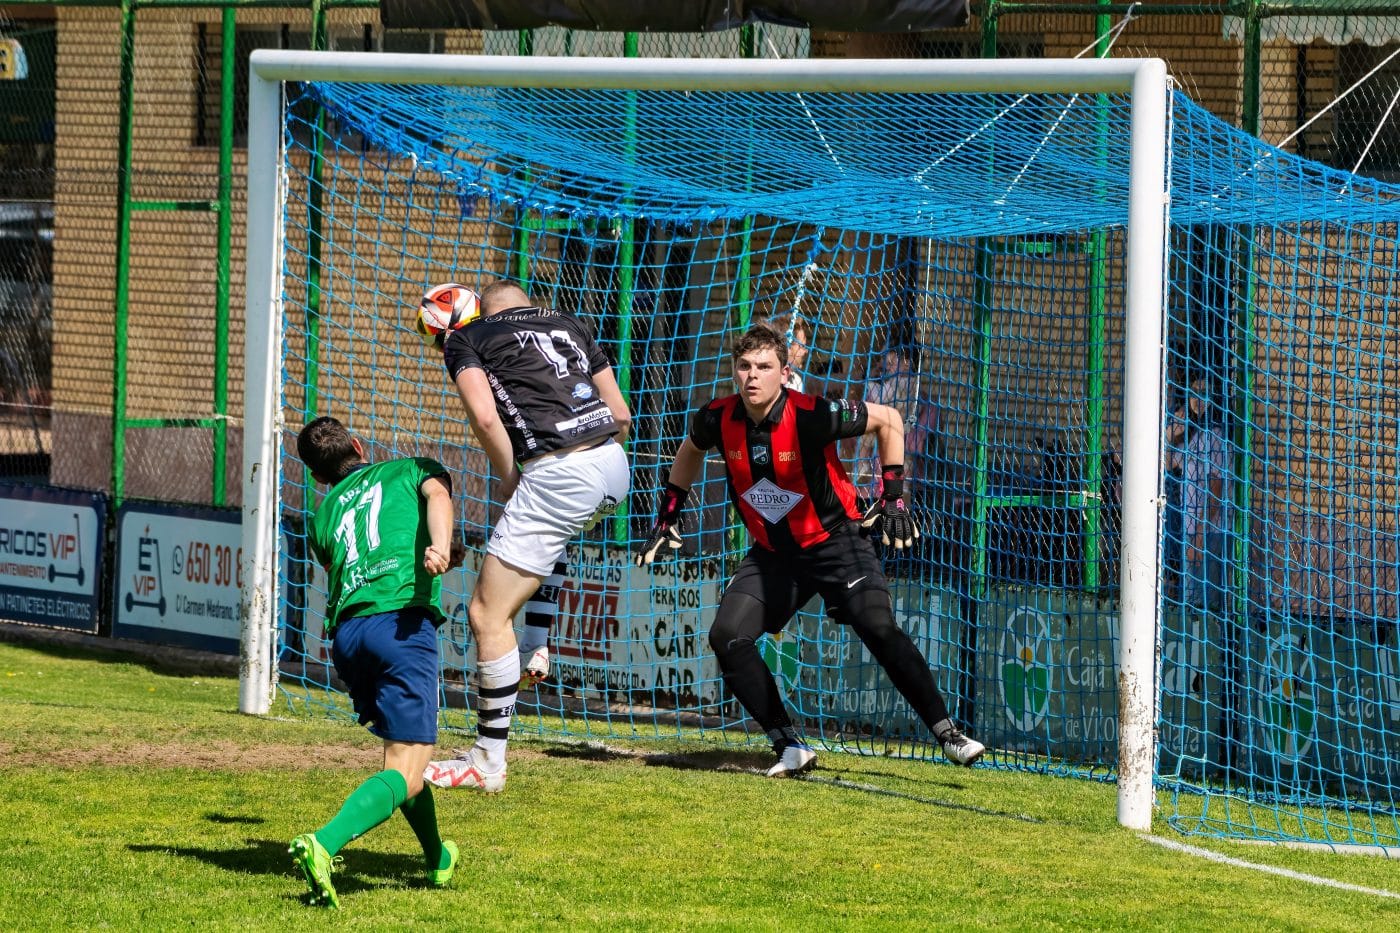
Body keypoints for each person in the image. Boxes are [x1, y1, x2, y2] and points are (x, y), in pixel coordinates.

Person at [635, 323, 984, 776]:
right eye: (744, 366)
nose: (753, 376)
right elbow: (689, 448)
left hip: (837, 542)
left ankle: (948, 735)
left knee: (877, 627)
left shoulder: (812, 413)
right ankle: (789, 745)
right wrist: (668, 515)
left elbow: (891, 421)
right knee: (727, 636)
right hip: (774, 554)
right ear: (733, 372)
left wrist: (894, 495)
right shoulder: (717, 418)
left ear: (784, 373)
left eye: (764, 367)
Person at [425, 279, 631, 791]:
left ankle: (486, 760)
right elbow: (622, 414)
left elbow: (484, 415)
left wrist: (511, 475)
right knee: (549, 542)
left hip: (560, 473)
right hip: (615, 468)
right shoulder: (574, 324)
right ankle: (536, 645)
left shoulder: (466, 338)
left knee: (485, 613)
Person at [289, 416, 459, 909]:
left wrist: (440, 551)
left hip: (348, 635)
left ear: (319, 478)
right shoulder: (411, 468)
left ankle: (437, 857)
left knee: (402, 763)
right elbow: (439, 498)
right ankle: (323, 843)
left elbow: (354, 554)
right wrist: (441, 545)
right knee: (408, 771)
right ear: (360, 445)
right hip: (400, 626)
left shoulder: (322, 517)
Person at [1166, 379, 1233, 609]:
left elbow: (1216, 488)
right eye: (1194, 393)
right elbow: (1167, 463)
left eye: (1204, 392)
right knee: (1191, 601)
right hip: (1191, 533)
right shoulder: (1195, 436)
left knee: (1205, 603)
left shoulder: (1216, 436)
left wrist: (1200, 537)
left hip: (1209, 534)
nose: (1199, 399)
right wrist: (1172, 432)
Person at [781, 316, 812, 392]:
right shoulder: (767, 377)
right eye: (802, 346)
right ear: (787, 346)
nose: (806, 351)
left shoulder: (796, 380)